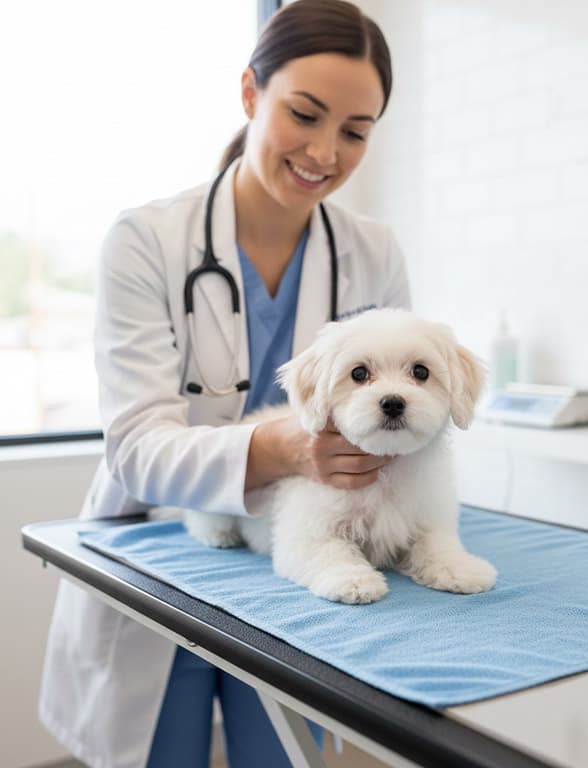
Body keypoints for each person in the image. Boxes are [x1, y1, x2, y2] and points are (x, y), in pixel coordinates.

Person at [38, 2, 411, 766]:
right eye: (304, 115)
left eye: (354, 131)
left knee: (279, 755)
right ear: (251, 94)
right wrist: (286, 447)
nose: (323, 151)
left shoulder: (373, 252)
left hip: (301, 558)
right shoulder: (145, 240)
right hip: (159, 555)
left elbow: (398, 418)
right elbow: (137, 448)